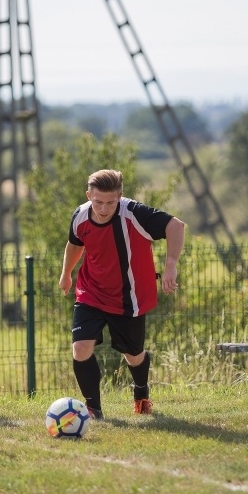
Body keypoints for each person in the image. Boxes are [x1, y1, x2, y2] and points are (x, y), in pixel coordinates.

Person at [58, 169, 185, 418]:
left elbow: (176, 226)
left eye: (110, 202)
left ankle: (141, 391)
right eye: (98, 202)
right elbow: (75, 244)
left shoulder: (135, 213)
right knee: (81, 348)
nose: (104, 209)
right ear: (88, 196)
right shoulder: (80, 215)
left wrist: (171, 265)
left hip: (130, 298)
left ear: (120, 197)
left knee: (134, 355)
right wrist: (66, 274)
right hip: (91, 292)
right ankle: (93, 409)